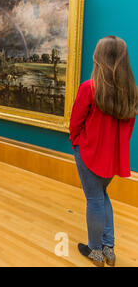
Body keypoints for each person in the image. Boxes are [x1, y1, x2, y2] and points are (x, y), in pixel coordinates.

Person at [69, 36, 137, 267]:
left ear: (99, 58)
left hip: (89, 153)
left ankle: (95, 250)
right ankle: (109, 248)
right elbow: (128, 127)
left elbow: (75, 121)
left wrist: (76, 142)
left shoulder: (89, 87)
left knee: (95, 200)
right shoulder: (131, 91)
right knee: (102, 196)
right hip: (112, 157)